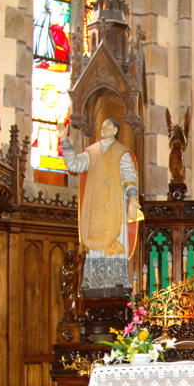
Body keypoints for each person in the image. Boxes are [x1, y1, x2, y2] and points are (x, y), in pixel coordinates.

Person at [60, 118, 141, 290]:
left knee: (114, 240)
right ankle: (93, 281)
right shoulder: (90, 152)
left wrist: (133, 199)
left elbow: (129, 177)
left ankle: (116, 282)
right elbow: (74, 165)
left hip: (114, 208)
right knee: (94, 244)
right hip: (94, 209)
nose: (104, 128)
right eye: (102, 125)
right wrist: (64, 140)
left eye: (108, 125)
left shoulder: (122, 153)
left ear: (115, 130)